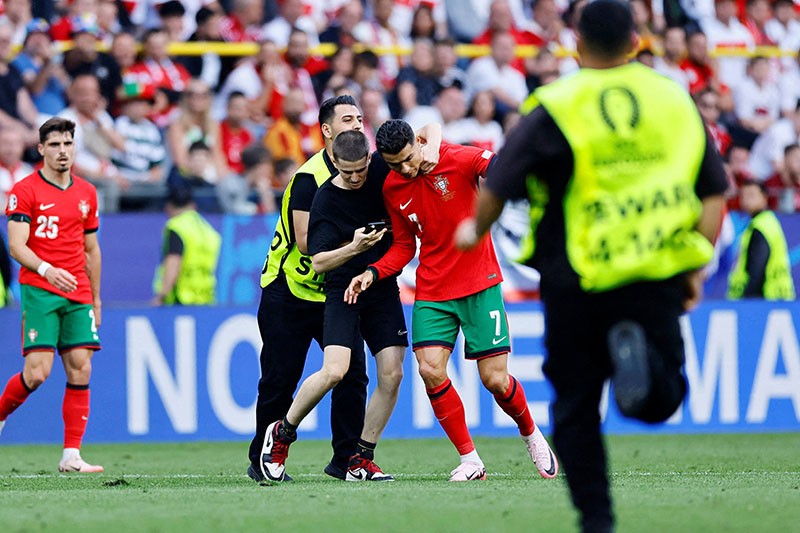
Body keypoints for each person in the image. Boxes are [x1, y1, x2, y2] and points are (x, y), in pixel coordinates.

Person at [453, 1, 728, 529]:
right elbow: (714, 193)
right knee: (663, 399)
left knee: (576, 406)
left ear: (576, 44)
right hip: (655, 274)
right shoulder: (672, 98)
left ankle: (597, 521)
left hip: (576, 277)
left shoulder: (555, 103)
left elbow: (501, 180)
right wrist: (694, 268)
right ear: (636, 42)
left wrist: (475, 228)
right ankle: (643, 380)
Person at [345, 119, 558, 483]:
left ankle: (531, 434)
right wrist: (374, 271)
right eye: (395, 164)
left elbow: (501, 168)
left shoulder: (458, 159)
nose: (405, 168)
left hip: (480, 283)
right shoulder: (393, 187)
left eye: (408, 159)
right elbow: (403, 245)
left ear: (419, 143)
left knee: (495, 380)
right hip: (432, 290)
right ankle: (470, 459)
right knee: (429, 369)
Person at [248, 95, 440, 483]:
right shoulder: (311, 181)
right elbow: (306, 247)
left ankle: (350, 459)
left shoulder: (377, 167)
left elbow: (426, 134)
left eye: (358, 118)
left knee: (356, 375)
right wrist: (355, 246)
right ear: (327, 132)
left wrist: (432, 147)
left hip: (356, 285)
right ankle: (264, 456)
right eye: (346, 118)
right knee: (282, 378)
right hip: (294, 290)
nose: (355, 123)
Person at [261, 130, 405, 482]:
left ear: (369, 160)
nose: (356, 178)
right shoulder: (325, 198)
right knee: (335, 371)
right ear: (335, 162)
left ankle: (360, 457)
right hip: (343, 290)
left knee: (393, 373)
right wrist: (355, 248)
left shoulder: (382, 175)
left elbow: (427, 139)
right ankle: (282, 433)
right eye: (348, 171)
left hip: (381, 285)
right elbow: (321, 261)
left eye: (361, 170)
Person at [0, 117, 104, 472]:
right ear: (41, 149)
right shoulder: (25, 190)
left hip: (78, 291)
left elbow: (92, 249)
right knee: (37, 373)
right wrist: (47, 270)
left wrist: (97, 299)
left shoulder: (87, 193)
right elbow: (16, 245)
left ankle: (71, 455)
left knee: (81, 367)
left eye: (68, 144)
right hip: (41, 289)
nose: (63, 151)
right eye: (55, 145)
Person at [152, 186, 221, 306]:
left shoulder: (176, 227)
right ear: (193, 205)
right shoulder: (208, 230)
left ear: (168, 207)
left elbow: (173, 262)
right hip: (206, 298)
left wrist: (162, 295)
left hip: (181, 299)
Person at [727, 180, 795, 300]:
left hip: (765, 298)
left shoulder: (761, 226)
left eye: (752, 195)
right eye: (744, 196)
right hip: (777, 297)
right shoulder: (767, 222)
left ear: (764, 198)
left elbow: (757, 268)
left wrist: (747, 300)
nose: (747, 200)